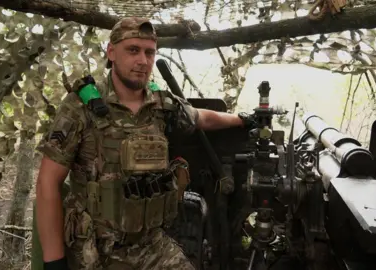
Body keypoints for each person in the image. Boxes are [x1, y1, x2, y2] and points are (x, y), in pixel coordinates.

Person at [35, 17, 254, 270]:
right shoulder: (81, 107)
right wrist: (54, 262)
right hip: (95, 250)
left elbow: (201, 117)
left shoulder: (161, 104)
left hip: (150, 245)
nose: (143, 61)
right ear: (111, 52)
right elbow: (47, 183)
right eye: (133, 50)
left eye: (150, 53)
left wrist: (241, 119)